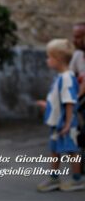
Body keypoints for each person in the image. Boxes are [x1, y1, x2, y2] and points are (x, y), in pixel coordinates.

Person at [36, 39, 84, 192]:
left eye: (49, 57)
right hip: (58, 122)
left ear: (58, 59)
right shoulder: (61, 77)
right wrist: (47, 105)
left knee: (71, 150)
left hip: (65, 123)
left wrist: (68, 123)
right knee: (55, 149)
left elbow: (70, 102)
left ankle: (78, 179)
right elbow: (59, 100)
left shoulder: (67, 78)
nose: (47, 60)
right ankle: (54, 178)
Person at [70, 22, 85, 174]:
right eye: (74, 37)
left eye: (79, 37)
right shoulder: (78, 55)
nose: (75, 40)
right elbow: (71, 75)